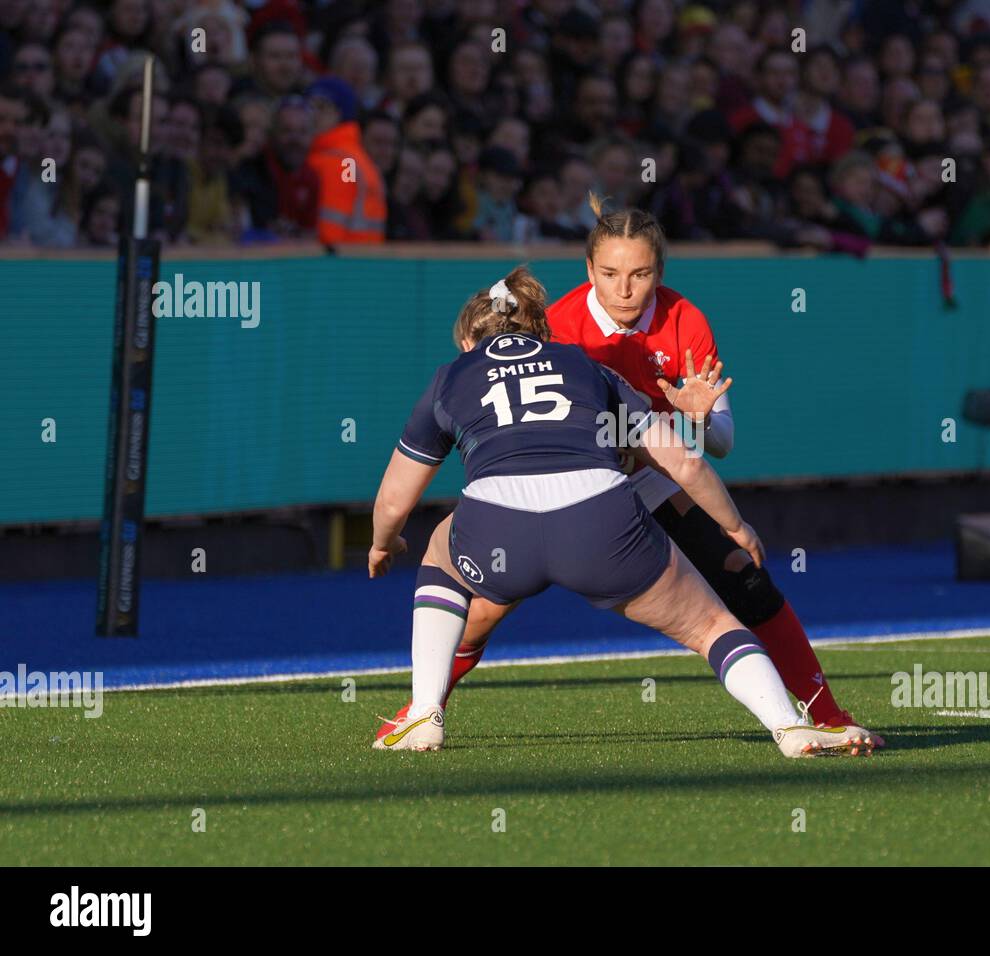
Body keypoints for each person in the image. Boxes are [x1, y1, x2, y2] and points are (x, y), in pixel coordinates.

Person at [377, 197, 881, 749]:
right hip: (595, 480)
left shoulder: (683, 320)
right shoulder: (561, 326)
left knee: (744, 576)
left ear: (658, 274)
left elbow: (719, 445)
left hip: (643, 474)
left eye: (640, 274)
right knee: (481, 614)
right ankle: (421, 709)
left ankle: (824, 713)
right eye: (610, 274)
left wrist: (697, 419)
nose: (624, 290)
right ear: (589, 272)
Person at [304, 76, 386, 245]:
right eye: (309, 107)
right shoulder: (352, 156)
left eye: (322, 108)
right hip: (363, 260)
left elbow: (331, 226)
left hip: (340, 264)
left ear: (340, 113)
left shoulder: (339, 162)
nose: (312, 115)